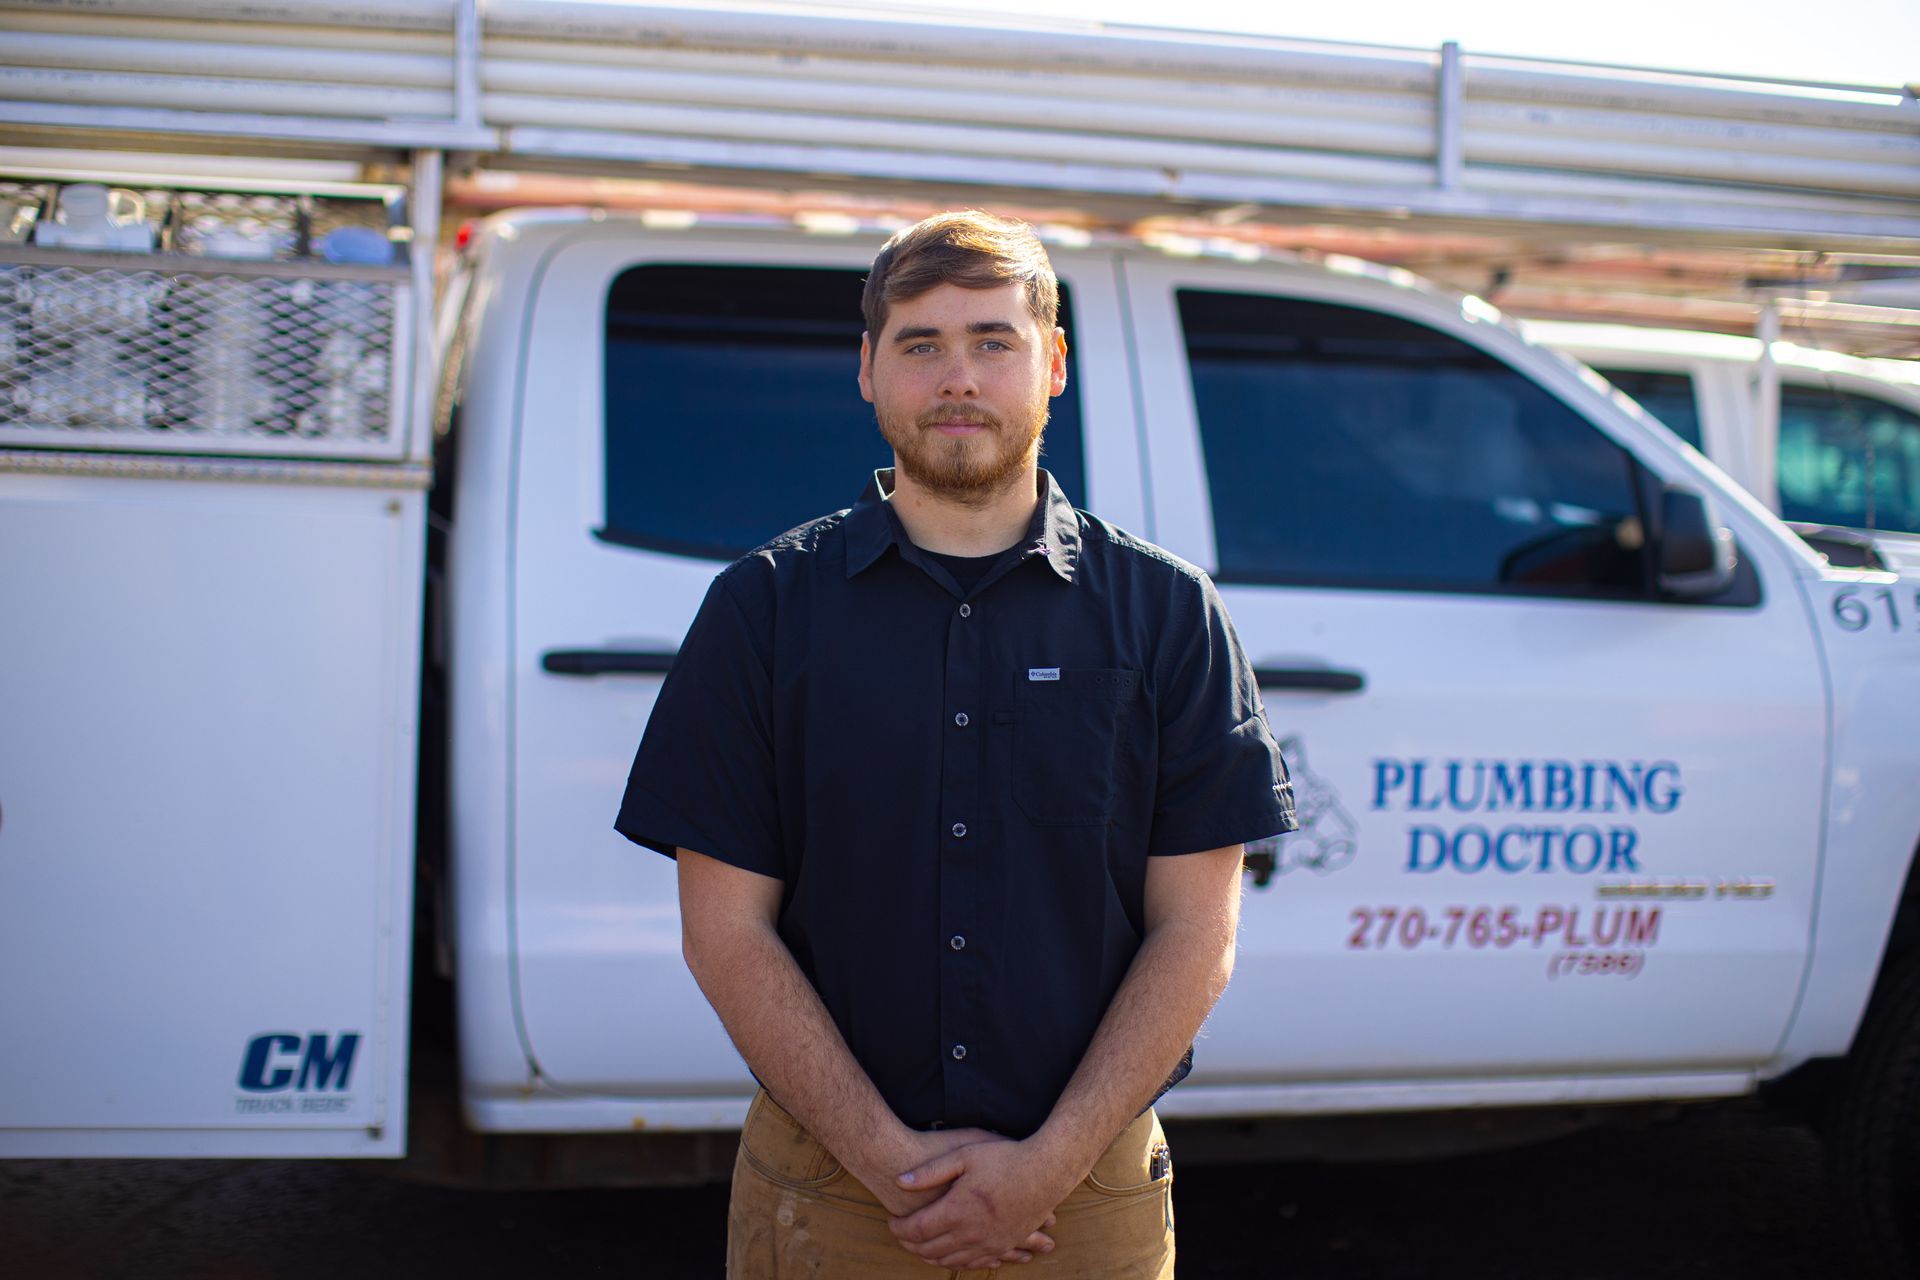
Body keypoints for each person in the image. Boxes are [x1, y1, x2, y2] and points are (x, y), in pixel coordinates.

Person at [615, 209, 1296, 1278]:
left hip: (1088, 1196)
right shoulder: (763, 610)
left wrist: (1051, 1161)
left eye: (993, 340)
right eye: (920, 343)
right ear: (868, 370)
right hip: (829, 1195)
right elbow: (726, 931)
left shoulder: (1166, 614)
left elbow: (1197, 931)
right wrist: (889, 1162)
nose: (956, 376)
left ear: (1054, 363)